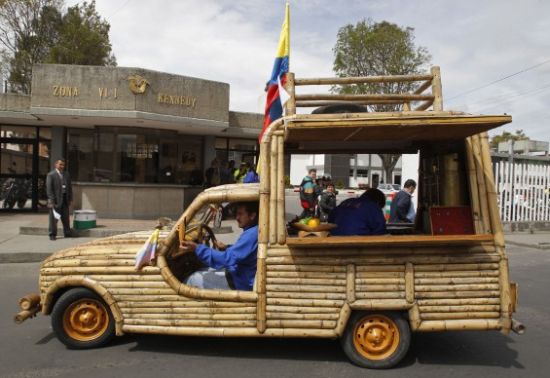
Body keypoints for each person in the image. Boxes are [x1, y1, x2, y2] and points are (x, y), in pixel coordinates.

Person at [180, 202, 259, 291]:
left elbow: (227, 259)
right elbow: (241, 253)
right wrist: (227, 247)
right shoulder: (253, 231)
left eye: (240, 214)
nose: (237, 218)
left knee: (192, 279)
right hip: (240, 274)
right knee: (203, 269)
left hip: (239, 281)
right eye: (236, 214)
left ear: (252, 215)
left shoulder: (251, 234)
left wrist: (197, 248)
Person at [46, 159, 73, 241]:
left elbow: (69, 187)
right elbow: (49, 189)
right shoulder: (51, 175)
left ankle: (67, 233)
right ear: (56, 164)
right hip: (55, 200)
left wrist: (70, 198)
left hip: (65, 199)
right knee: (54, 219)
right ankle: (52, 234)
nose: (62, 166)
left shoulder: (66, 174)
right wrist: (51, 200)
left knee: (66, 218)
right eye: (60, 164)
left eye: (63, 165)